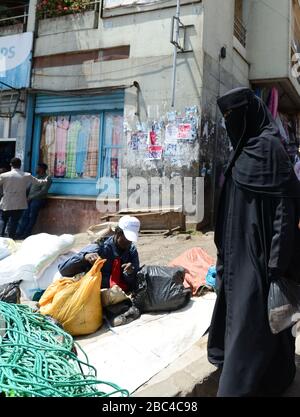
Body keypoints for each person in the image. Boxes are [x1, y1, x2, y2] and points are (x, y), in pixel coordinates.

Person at [207, 87, 300, 397]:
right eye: (226, 118)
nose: (231, 123)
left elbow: (284, 214)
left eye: (235, 116)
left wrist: (276, 267)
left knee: (252, 329)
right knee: (251, 326)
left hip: (261, 264)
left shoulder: (272, 152)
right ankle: (271, 378)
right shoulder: (243, 151)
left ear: (252, 113)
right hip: (235, 261)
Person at [58, 215, 141, 325]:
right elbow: (64, 270)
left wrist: (130, 273)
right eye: (126, 238)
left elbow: (133, 281)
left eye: (131, 239)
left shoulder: (131, 251)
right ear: (117, 232)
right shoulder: (99, 247)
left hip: (119, 293)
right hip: (96, 292)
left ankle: (119, 311)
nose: (128, 242)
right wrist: (85, 257)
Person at [0, 158, 50, 239]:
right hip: (19, 203)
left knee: (3, 220)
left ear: (11, 165)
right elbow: (39, 182)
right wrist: (46, 180)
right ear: (20, 165)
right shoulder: (27, 175)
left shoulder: (4, 175)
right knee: (14, 221)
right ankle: (11, 238)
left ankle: (1, 236)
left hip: (6, 203)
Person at [16, 163, 52, 239]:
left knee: (32, 216)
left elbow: (43, 191)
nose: (36, 169)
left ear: (42, 169)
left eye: (37, 168)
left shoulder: (47, 178)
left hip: (38, 200)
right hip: (29, 199)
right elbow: (28, 188)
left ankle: (26, 234)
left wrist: (31, 197)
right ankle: (19, 233)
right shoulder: (35, 177)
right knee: (24, 216)